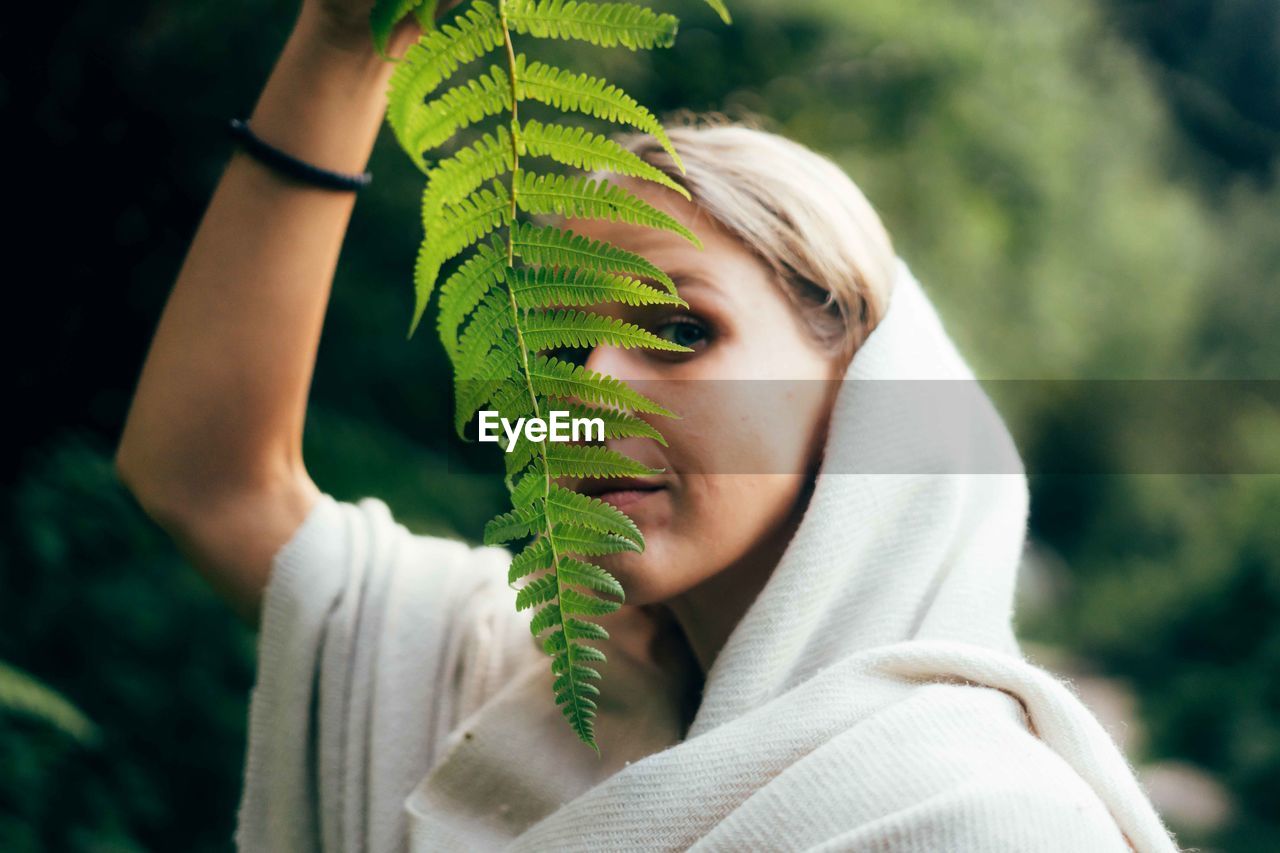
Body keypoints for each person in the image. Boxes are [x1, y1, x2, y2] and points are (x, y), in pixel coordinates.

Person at [114, 1, 1184, 850]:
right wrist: (344, 41)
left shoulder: (980, 818)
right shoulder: (509, 681)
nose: (584, 392)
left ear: (859, 389)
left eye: (677, 328)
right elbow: (211, 481)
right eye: (560, 349)